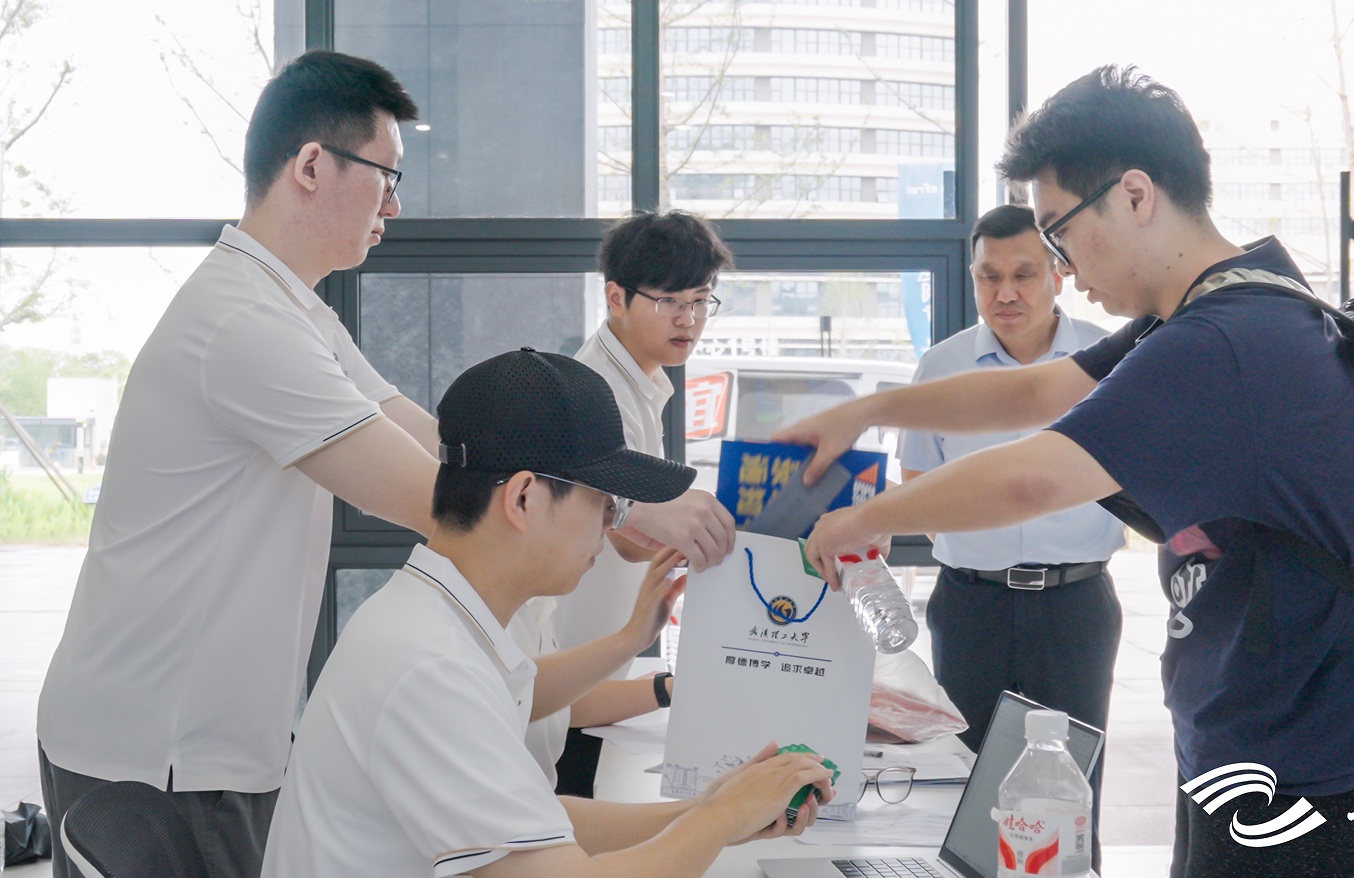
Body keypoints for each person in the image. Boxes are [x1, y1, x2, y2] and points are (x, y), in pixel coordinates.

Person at [776, 65, 1354, 878]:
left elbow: (1034, 478)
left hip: (1325, 765)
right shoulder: (1217, 306)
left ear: (1134, 195)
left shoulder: (1222, 341)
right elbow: (1033, 391)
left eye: (1058, 234)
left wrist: (866, 518)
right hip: (1262, 736)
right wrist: (870, 409)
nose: (1063, 265)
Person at [34, 51, 446, 877]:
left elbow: (423, 437)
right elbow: (433, 499)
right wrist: (610, 511)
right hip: (158, 756)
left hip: (195, 746)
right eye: (387, 176)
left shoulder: (292, 310)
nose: (394, 205)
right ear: (311, 166)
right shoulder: (243, 324)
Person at [261, 348, 833, 878]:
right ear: (524, 498)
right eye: (602, 502)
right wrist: (721, 818)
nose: (610, 525)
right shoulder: (432, 666)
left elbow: (544, 825)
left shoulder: (441, 622)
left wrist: (713, 807)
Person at [898, 204, 1124, 868]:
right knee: (970, 786)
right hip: (972, 604)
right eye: (988, 276)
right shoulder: (943, 366)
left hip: (1076, 604)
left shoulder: (1110, 359)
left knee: (1072, 789)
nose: (1005, 293)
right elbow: (918, 484)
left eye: (1023, 274)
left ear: (1058, 272)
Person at [516, 210, 738, 797]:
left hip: (594, 677)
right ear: (616, 297)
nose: (688, 320)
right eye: (670, 302)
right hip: (567, 684)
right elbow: (633, 539)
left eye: (701, 301)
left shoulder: (637, 381)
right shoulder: (601, 393)